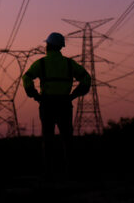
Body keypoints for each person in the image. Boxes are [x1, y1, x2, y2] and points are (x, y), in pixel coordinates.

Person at [22, 32, 91, 176]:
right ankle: (70, 172)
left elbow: (27, 78)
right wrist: (75, 94)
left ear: (49, 45)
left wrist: (34, 94)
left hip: (47, 104)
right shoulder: (69, 63)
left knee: (48, 139)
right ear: (60, 47)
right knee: (67, 139)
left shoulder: (41, 63)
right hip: (65, 104)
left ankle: (49, 173)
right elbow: (86, 78)